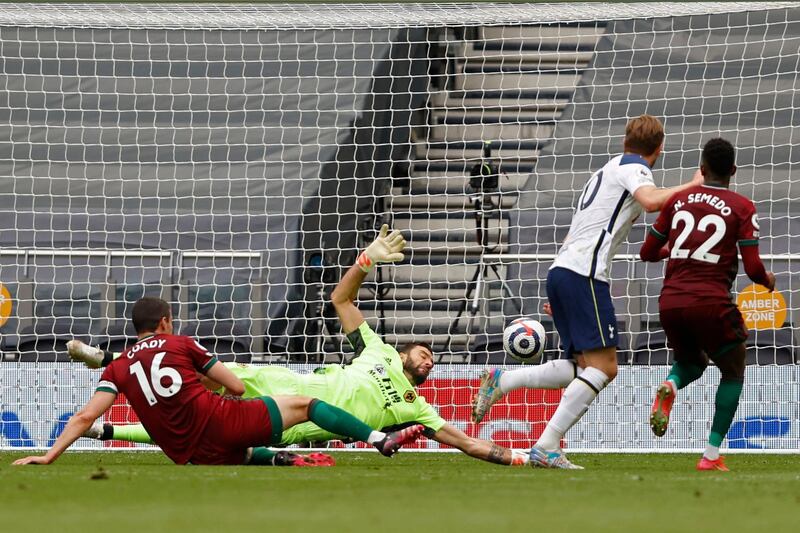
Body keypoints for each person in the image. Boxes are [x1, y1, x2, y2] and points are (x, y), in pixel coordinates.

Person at [70, 226, 529, 467]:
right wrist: (365, 261)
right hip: (286, 384)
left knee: (197, 433)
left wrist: (524, 456)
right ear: (404, 349)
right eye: (423, 350)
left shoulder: (417, 410)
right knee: (199, 383)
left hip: (296, 423)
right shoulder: (376, 348)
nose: (428, 356)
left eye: (432, 359)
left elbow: (467, 443)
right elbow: (341, 298)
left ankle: (104, 426)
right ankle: (112, 360)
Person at [472, 115, 704, 469]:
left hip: (565, 270)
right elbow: (652, 200)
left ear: (626, 140)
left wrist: (563, 285)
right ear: (659, 149)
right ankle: (546, 446)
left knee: (579, 365)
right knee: (605, 368)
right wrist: (691, 186)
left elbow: (579, 229)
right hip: (584, 276)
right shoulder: (634, 169)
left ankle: (506, 380)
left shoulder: (605, 170)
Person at [12, 297, 423, 466]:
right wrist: (218, 383)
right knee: (305, 406)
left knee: (232, 448)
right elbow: (238, 386)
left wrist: (49, 456)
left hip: (185, 451)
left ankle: (281, 459)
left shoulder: (117, 370)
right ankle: (377, 440)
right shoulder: (180, 343)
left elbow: (84, 416)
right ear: (165, 323)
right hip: (221, 425)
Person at [639, 137, 774, 471]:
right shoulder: (743, 207)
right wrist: (768, 280)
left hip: (670, 302)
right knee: (732, 370)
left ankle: (670, 384)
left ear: (701, 169)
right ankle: (711, 455)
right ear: (733, 171)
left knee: (693, 363)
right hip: (711, 301)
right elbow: (753, 267)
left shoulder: (678, 200)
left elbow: (647, 253)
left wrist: (671, 251)